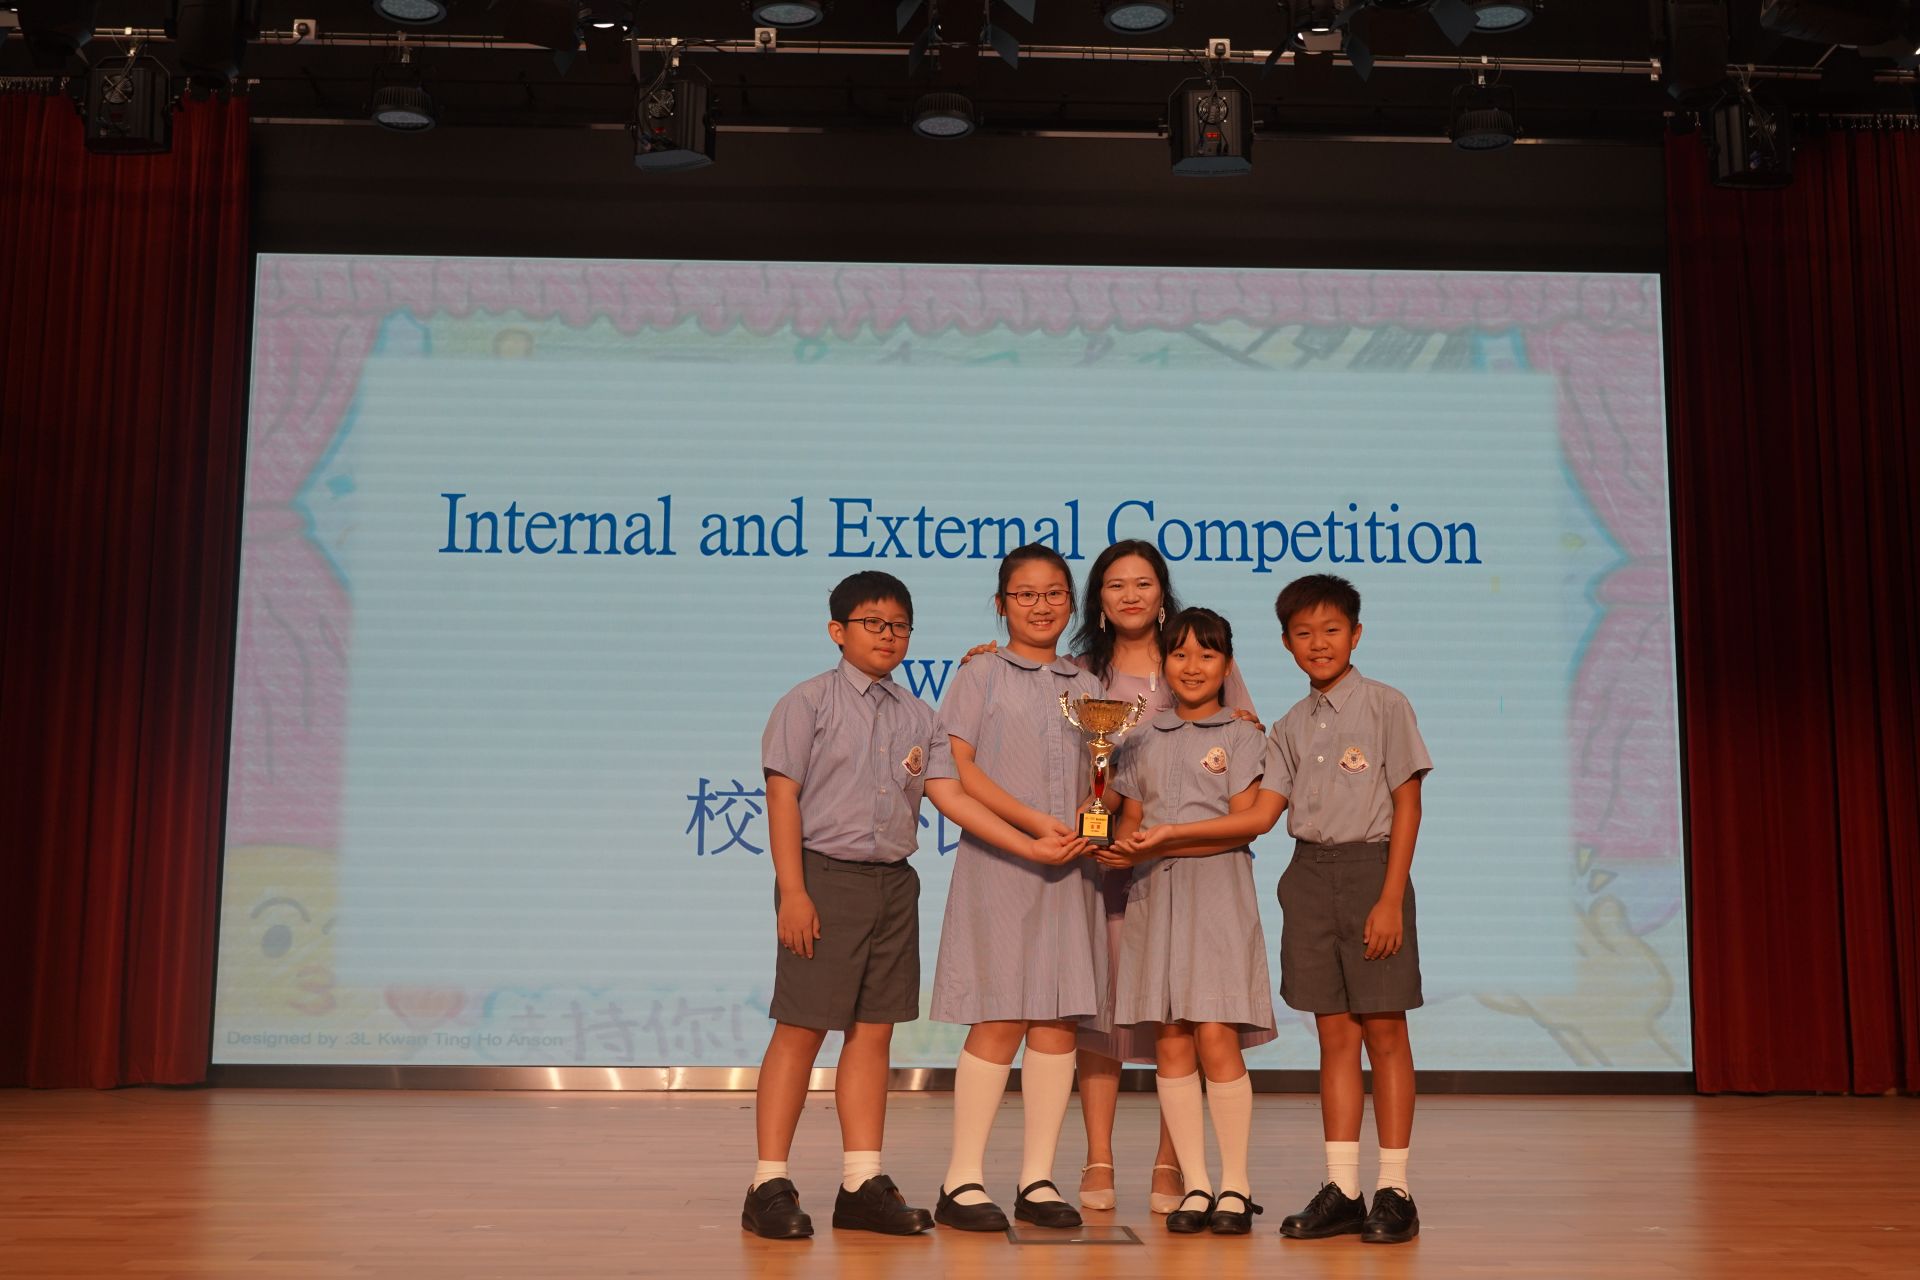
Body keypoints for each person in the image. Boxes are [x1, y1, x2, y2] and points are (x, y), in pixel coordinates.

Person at [963, 539, 1264, 1213]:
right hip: (1096, 863)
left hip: (1183, 871)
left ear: (1163, 593)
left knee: (1177, 1015)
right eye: (1115, 584)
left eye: (1143, 583)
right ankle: (1096, 1157)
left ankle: (1173, 1163)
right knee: (1095, 1013)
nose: (1130, 595)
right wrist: (988, 656)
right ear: (1096, 599)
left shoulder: (1197, 655)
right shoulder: (1078, 673)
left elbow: (1239, 743)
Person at [742, 571, 939, 1240]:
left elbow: (951, 794)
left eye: (900, 625)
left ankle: (861, 1182)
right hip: (822, 878)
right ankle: (768, 1182)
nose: (888, 636)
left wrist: (1040, 837)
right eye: (873, 623)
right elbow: (782, 797)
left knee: (875, 1032)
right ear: (838, 630)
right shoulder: (808, 702)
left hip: (894, 884)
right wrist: (794, 891)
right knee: (801, 1027)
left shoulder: (919, 714)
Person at [923, 543, 1104, 1232]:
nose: (1041, 605)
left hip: (1072, 866)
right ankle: (961, 1180)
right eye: (1025, 594)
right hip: (1002, 861)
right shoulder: (980, 673)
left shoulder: (1088, 683)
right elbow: (958, 770)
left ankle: (1038, 1179)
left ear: (1071, 602)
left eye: (1054, 592)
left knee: (1058, 1020)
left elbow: (1106, 773)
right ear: (1001, 604)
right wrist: (1032, 830)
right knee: (999, 1015)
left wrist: (1094, 818)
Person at [1097, 607, 1281, 1236]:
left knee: (1215, 1036)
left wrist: (1170, 837)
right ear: (1164, 664)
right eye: (1180, 654)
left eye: (1207, 654)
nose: (1193, 666)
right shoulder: (1142, 736)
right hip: (1154, 898)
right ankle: (1197, 1185)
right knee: (1171, 1041)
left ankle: (1236, 1186)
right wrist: (1118, 846)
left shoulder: (1244, 734)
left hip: (1216, 896)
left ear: (1227, 665)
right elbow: (1131, 820)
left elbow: (1246, 822)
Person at [1263, 574, 1433, 1246]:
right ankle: (1344, 1189)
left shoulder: (1387, 705)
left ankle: (1395, 1190)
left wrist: (1390, 896)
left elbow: (1408, 804)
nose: (1318, 643)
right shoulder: (1287, 725)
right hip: (1308, 875)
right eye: (1303, 633)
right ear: (1286, 643)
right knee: (1334, 1037)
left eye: (1331, 630)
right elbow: (1262, 809)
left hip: (1372, 872)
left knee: (1384, 1031)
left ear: (1356, 634)